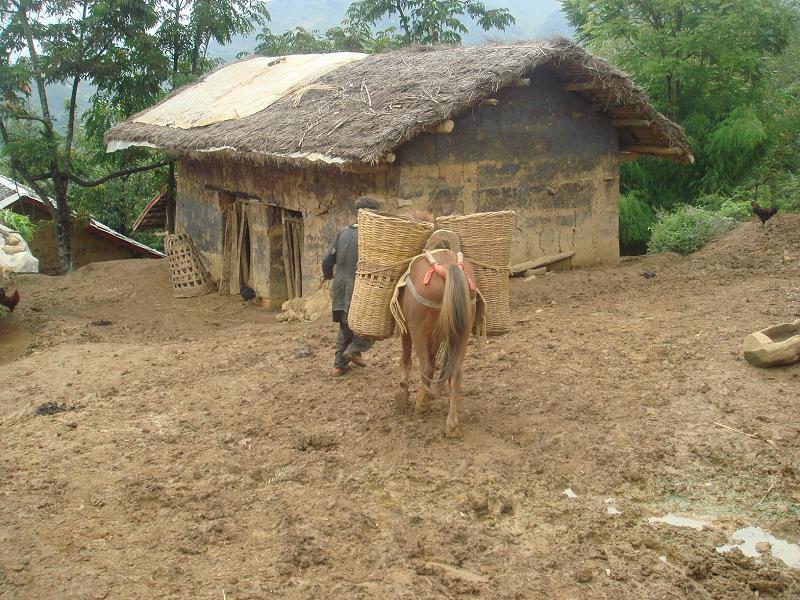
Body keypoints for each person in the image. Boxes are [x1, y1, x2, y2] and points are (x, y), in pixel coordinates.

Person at [322, 197, 379, 376]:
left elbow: (326, 259)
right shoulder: (372, 236)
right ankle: (355, 349)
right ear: (369, 213)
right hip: (358, 287)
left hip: (340, 286)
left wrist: (328, 275)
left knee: (345, 325)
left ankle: (339, 365)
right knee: (370, 323)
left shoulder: (342, 232)